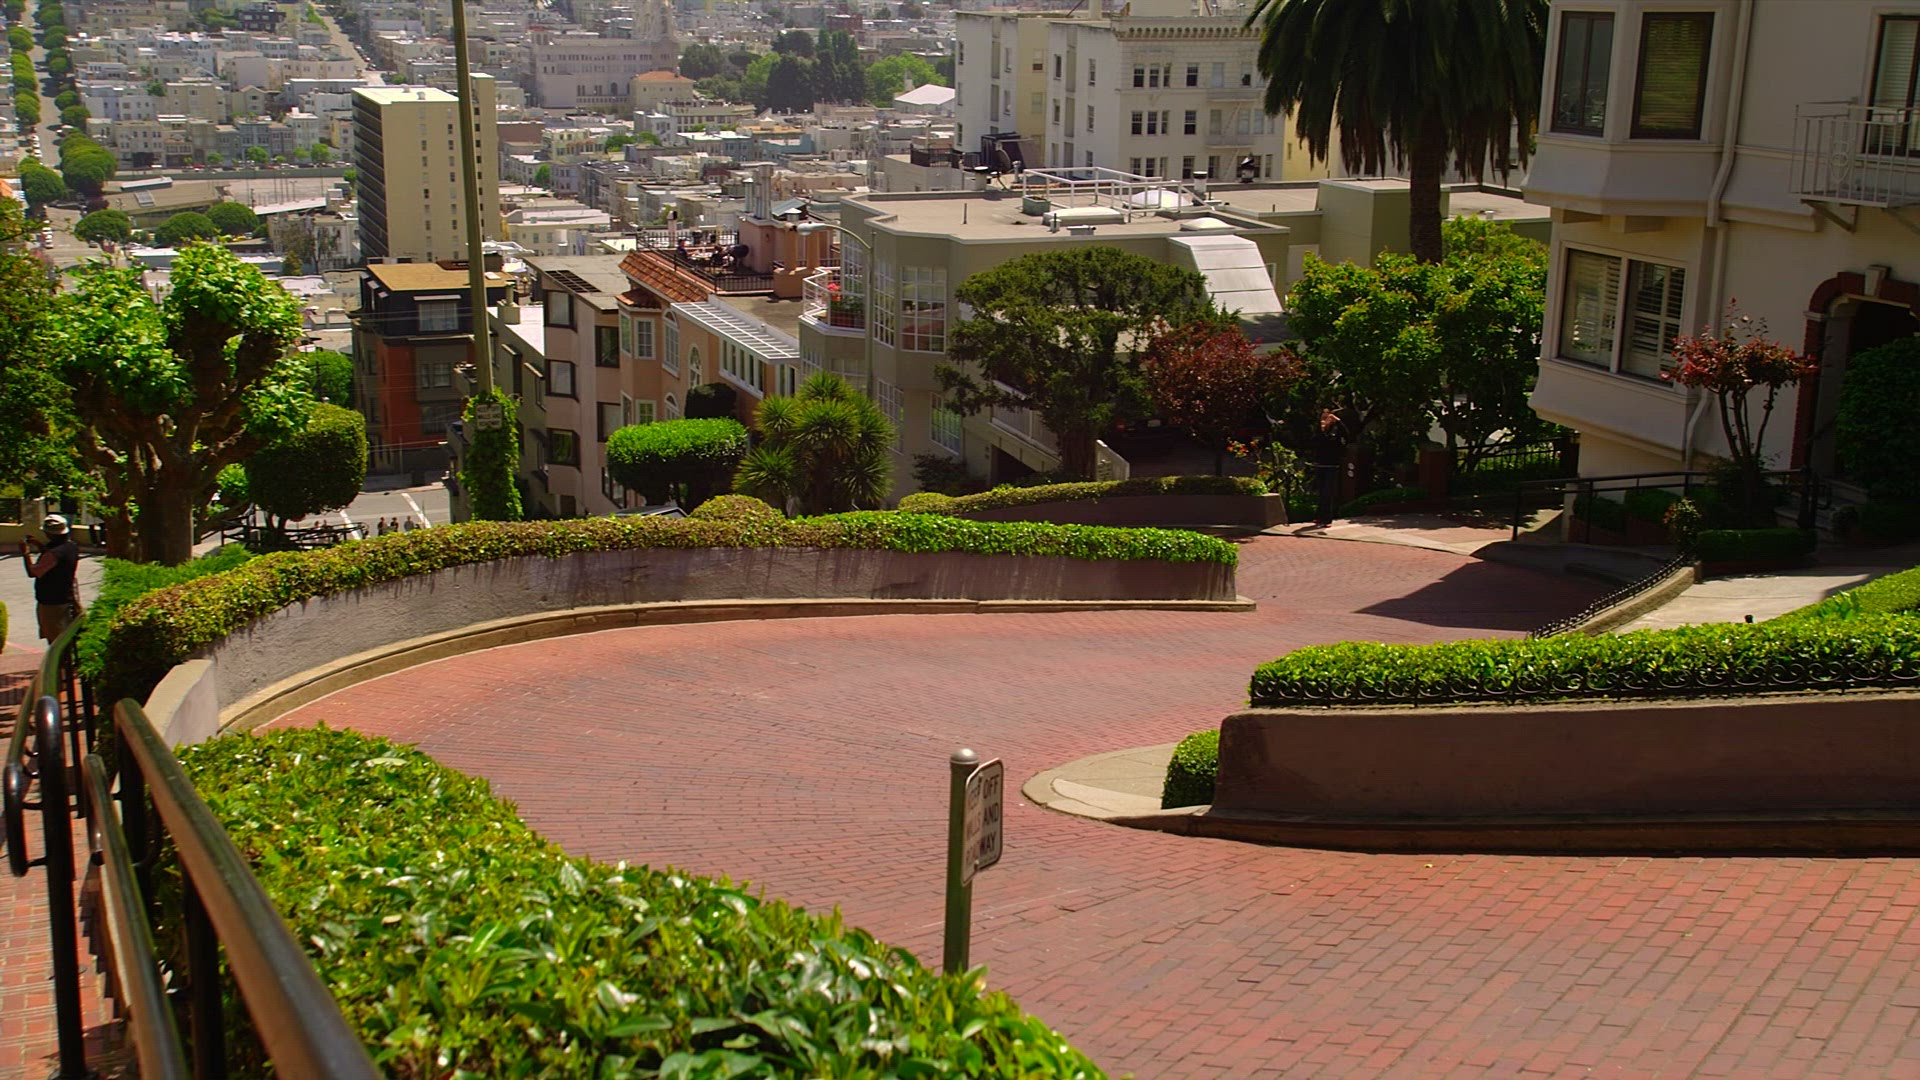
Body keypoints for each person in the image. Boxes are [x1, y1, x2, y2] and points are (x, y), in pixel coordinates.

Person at [20, 514, 82, 643]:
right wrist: (39, 545)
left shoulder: (53, 554)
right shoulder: (72, 547)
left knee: (56, 642)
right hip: (66, 598)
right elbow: (53, 558)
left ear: (49, 534)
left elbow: (33, 572)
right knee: (66, 638)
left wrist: (25, 553)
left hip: (52, 603)